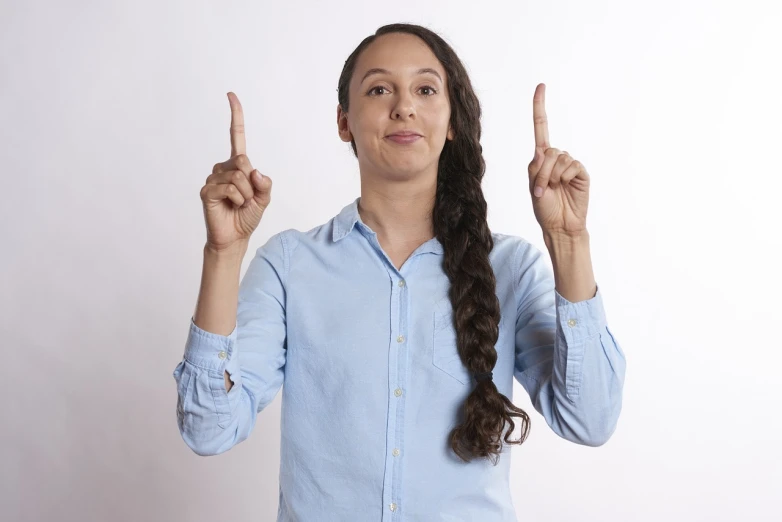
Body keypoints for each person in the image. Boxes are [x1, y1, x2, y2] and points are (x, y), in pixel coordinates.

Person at [172, 22, 626, 521]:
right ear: (344, 121)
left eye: (426, 89)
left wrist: (568, 241)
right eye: (379, 88)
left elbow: (589, 420)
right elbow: (208, 428)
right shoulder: (289, 266)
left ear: (452, 120)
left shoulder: (510, 269)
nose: (404, 106)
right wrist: (223, 252)